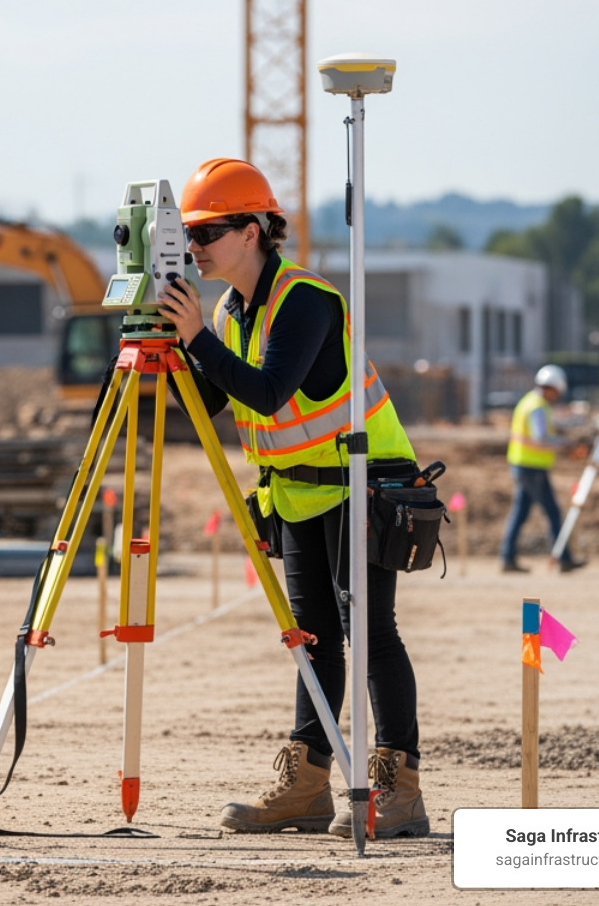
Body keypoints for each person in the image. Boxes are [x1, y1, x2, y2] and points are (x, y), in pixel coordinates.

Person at [156, 157, 429, 840]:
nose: (195, 248)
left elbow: (270, 390)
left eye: (208, 232)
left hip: (361, 483)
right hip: (297, 495)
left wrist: (198, 340)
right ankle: (306, 782)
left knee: (370, 636)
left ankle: (398, 787)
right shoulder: (230, 308)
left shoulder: (305, 299)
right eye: (189, 235)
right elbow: (213, 399)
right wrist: (169, 351)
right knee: (310, 641)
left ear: (253, 230)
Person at [500, 365, 584, 574]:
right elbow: (541, 438)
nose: (557, 396)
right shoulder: (537, 406)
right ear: (551, 388)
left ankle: (507, 558)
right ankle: (564, 558)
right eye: (556, 391)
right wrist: (566, 444)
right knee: (553, 512)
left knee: (520, 513)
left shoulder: (530, 402)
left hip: (524, 465)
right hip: (531, 468)